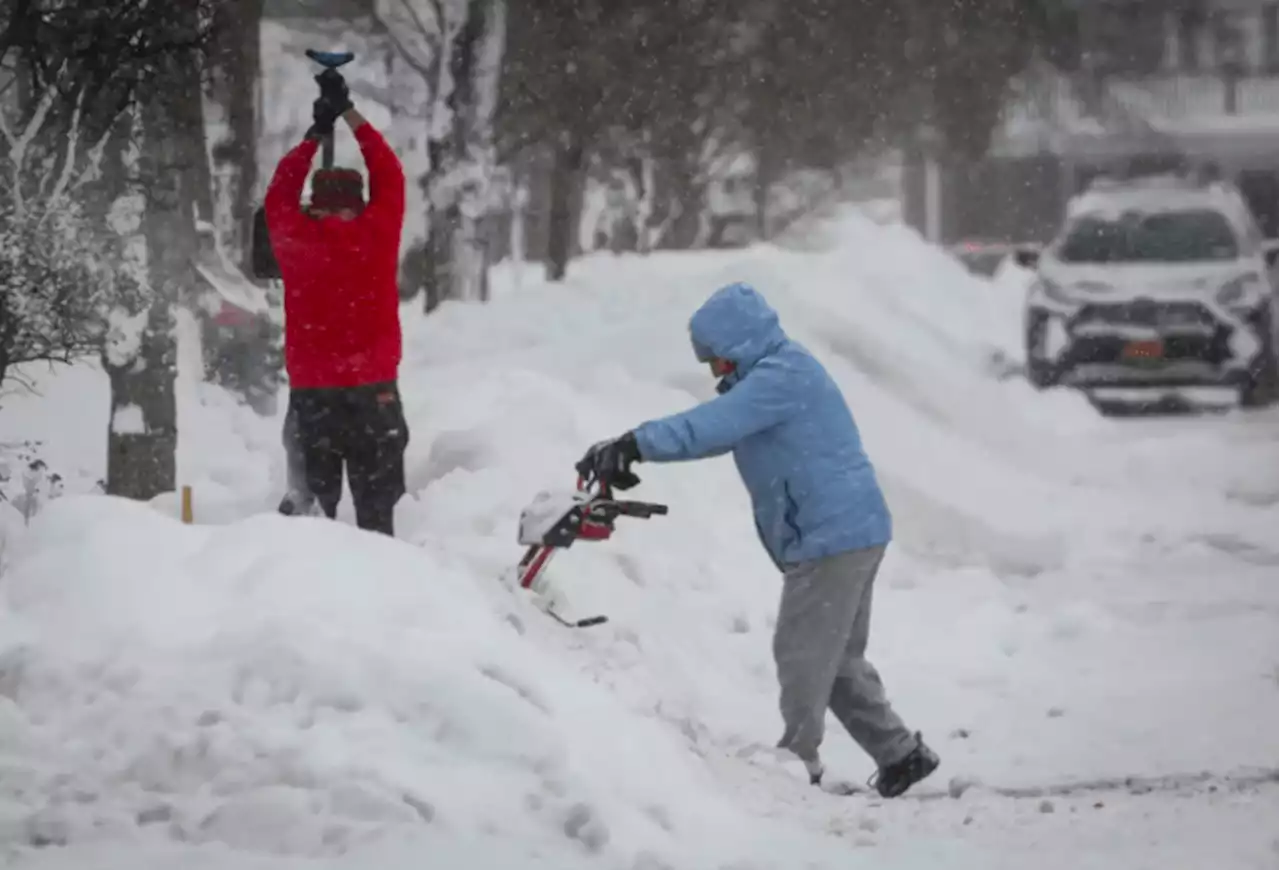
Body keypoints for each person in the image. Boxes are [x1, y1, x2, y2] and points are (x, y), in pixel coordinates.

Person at [575, 282, 939, 798]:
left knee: (801, 652)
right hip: (849, 528)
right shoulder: (778, 373)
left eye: (717, 358)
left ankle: (798, 762)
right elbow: (719, 429)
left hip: (833, 533)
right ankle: (900, 754)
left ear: (740, 345)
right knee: (834, 659)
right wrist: (635, 449)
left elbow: (712, 425)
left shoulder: (781, 377)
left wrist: (634, 443)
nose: (714, 371)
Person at [264, 71, 408, 536]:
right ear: (360, 203)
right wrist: (349, 114)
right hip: (375, 395)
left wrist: (314, 134)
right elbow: (390, 172)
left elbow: (277, 195)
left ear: (314, 204)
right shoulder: (377, 233)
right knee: (379, 517)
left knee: (316, 525)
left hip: (314, 399)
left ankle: (322, 595)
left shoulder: (295, 238)